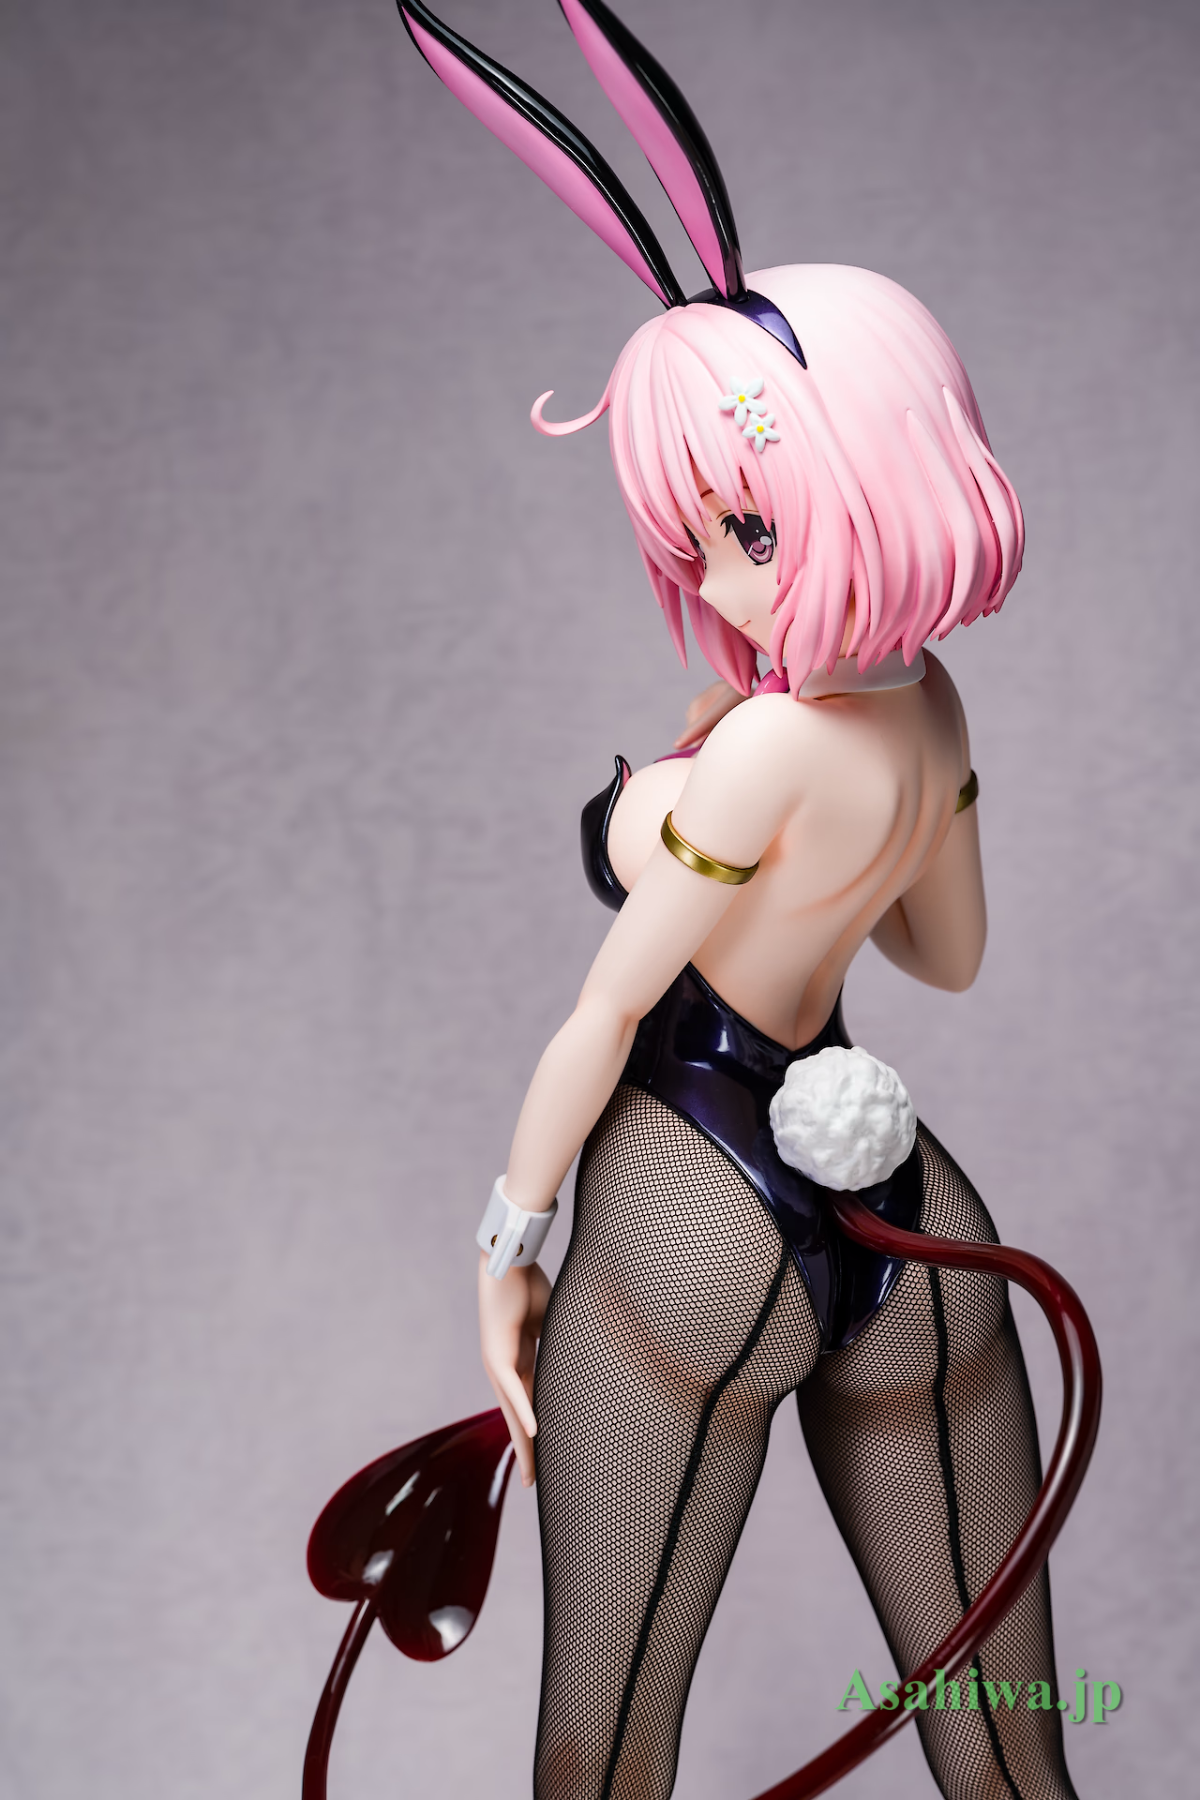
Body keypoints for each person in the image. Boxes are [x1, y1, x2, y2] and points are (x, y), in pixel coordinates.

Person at [395, 7, 1084, 1797]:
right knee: (1011, 1765)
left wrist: (506, 1239)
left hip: (690, 1197)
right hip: (904, 1212)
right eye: (697, 534)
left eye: (750, 528)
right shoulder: (932, 710)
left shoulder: (767, 746)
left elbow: (611, 1006)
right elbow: (949, 955)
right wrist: (854, 844)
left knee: (604, 1759)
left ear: (867, 478)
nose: (717, 572)